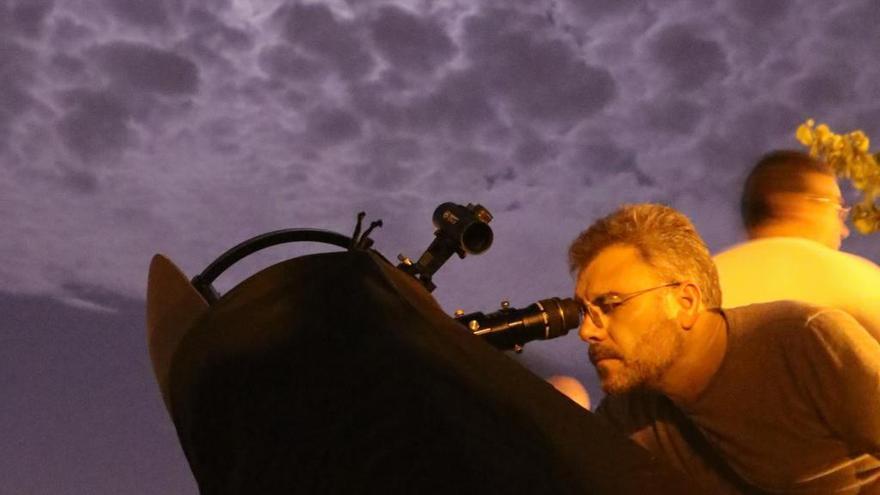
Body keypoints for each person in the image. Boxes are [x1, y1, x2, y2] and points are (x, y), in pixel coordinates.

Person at [569, 203, 880, 493]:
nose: (586, 331)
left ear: (685, 302)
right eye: (584, 313)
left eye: (609, 305)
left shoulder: (804, 339)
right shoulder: (631, 408)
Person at [713, 150, 880, 337]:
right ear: (793, 206)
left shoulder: (703, 286)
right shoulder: (856, 282)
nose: (844, 230)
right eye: (836, 209)